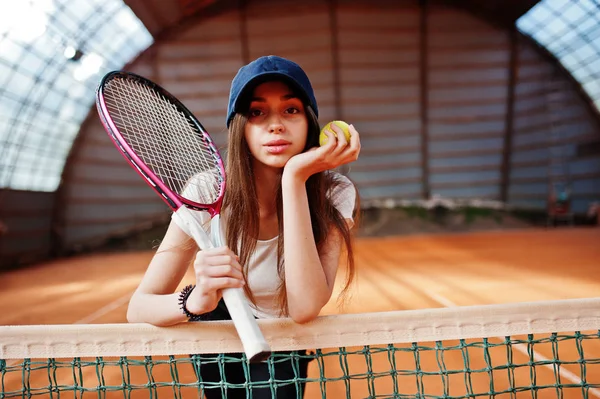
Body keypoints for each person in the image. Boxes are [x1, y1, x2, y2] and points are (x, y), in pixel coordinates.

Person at [126, 55, 361, 398]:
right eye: (257, 112)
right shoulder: (207, 191)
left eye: (291, 110)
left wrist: (295, 178)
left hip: (287, 341)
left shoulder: (335, 192)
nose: (275, 125)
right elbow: (139, 307)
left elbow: (305, 306)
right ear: (240, 127)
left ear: (310, 121)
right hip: (222, 342)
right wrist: (196, 300)